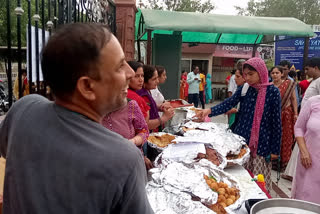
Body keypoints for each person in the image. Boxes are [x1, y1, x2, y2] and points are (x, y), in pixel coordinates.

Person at [0, 23, 153, 213]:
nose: (130, 74)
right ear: (87, 87)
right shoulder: (124, 159)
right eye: (120, 66)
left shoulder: (23, 110)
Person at [195, 57, 282, 192]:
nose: (247, 78)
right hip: (241, 141)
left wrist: (275, 150)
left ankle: (256, 204)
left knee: (258, 181)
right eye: (245, 74)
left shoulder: (273, 93)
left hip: (261, 145)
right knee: (240, 179)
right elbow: (228, 103)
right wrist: (209, 111)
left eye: (251, 74)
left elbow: (276, 123)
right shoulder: (245, 88)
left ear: (261, 72)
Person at [282, 57, 320, 180]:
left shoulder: (319, 81)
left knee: (304, 146)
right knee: (300, 145)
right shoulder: (313, 81)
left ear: (316, 68)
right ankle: (293, 173)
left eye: (308, 69)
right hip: (305, 119)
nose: (306, 71)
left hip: (312, 120)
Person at [291, 95, 320, 204]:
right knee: (304, 200)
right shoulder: (313, 102)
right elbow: (298, 127)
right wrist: (304, 152)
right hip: (308, 162)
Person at [270, 66, 298, 170]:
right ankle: (274, 163)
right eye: (273, 73)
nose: (275, 75)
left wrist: (295, 113)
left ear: (282, 74)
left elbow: (294, 99)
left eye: (277, 73)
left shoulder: (289, 84)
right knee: (275, 137)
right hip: (273, 116)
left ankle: (284, 163)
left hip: (286, 115)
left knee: (286, 138)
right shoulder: (269, 86)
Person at [137, 65, 174, 131]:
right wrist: (164, 118)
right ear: (144, 81)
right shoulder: (142, 96)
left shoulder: (147, 91)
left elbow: (148, 107)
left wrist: (159, 107)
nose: (157, 81)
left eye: (157, 78)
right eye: (154, 79)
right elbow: (145, 124)